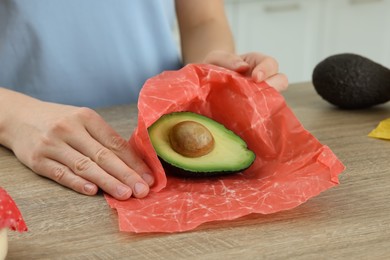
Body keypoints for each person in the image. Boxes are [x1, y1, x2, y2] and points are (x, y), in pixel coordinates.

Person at [0, 0, 288, 200]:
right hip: (27, 148)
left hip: (161, 139)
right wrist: (14, 117)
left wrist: (211, 73)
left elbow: (204, 20)